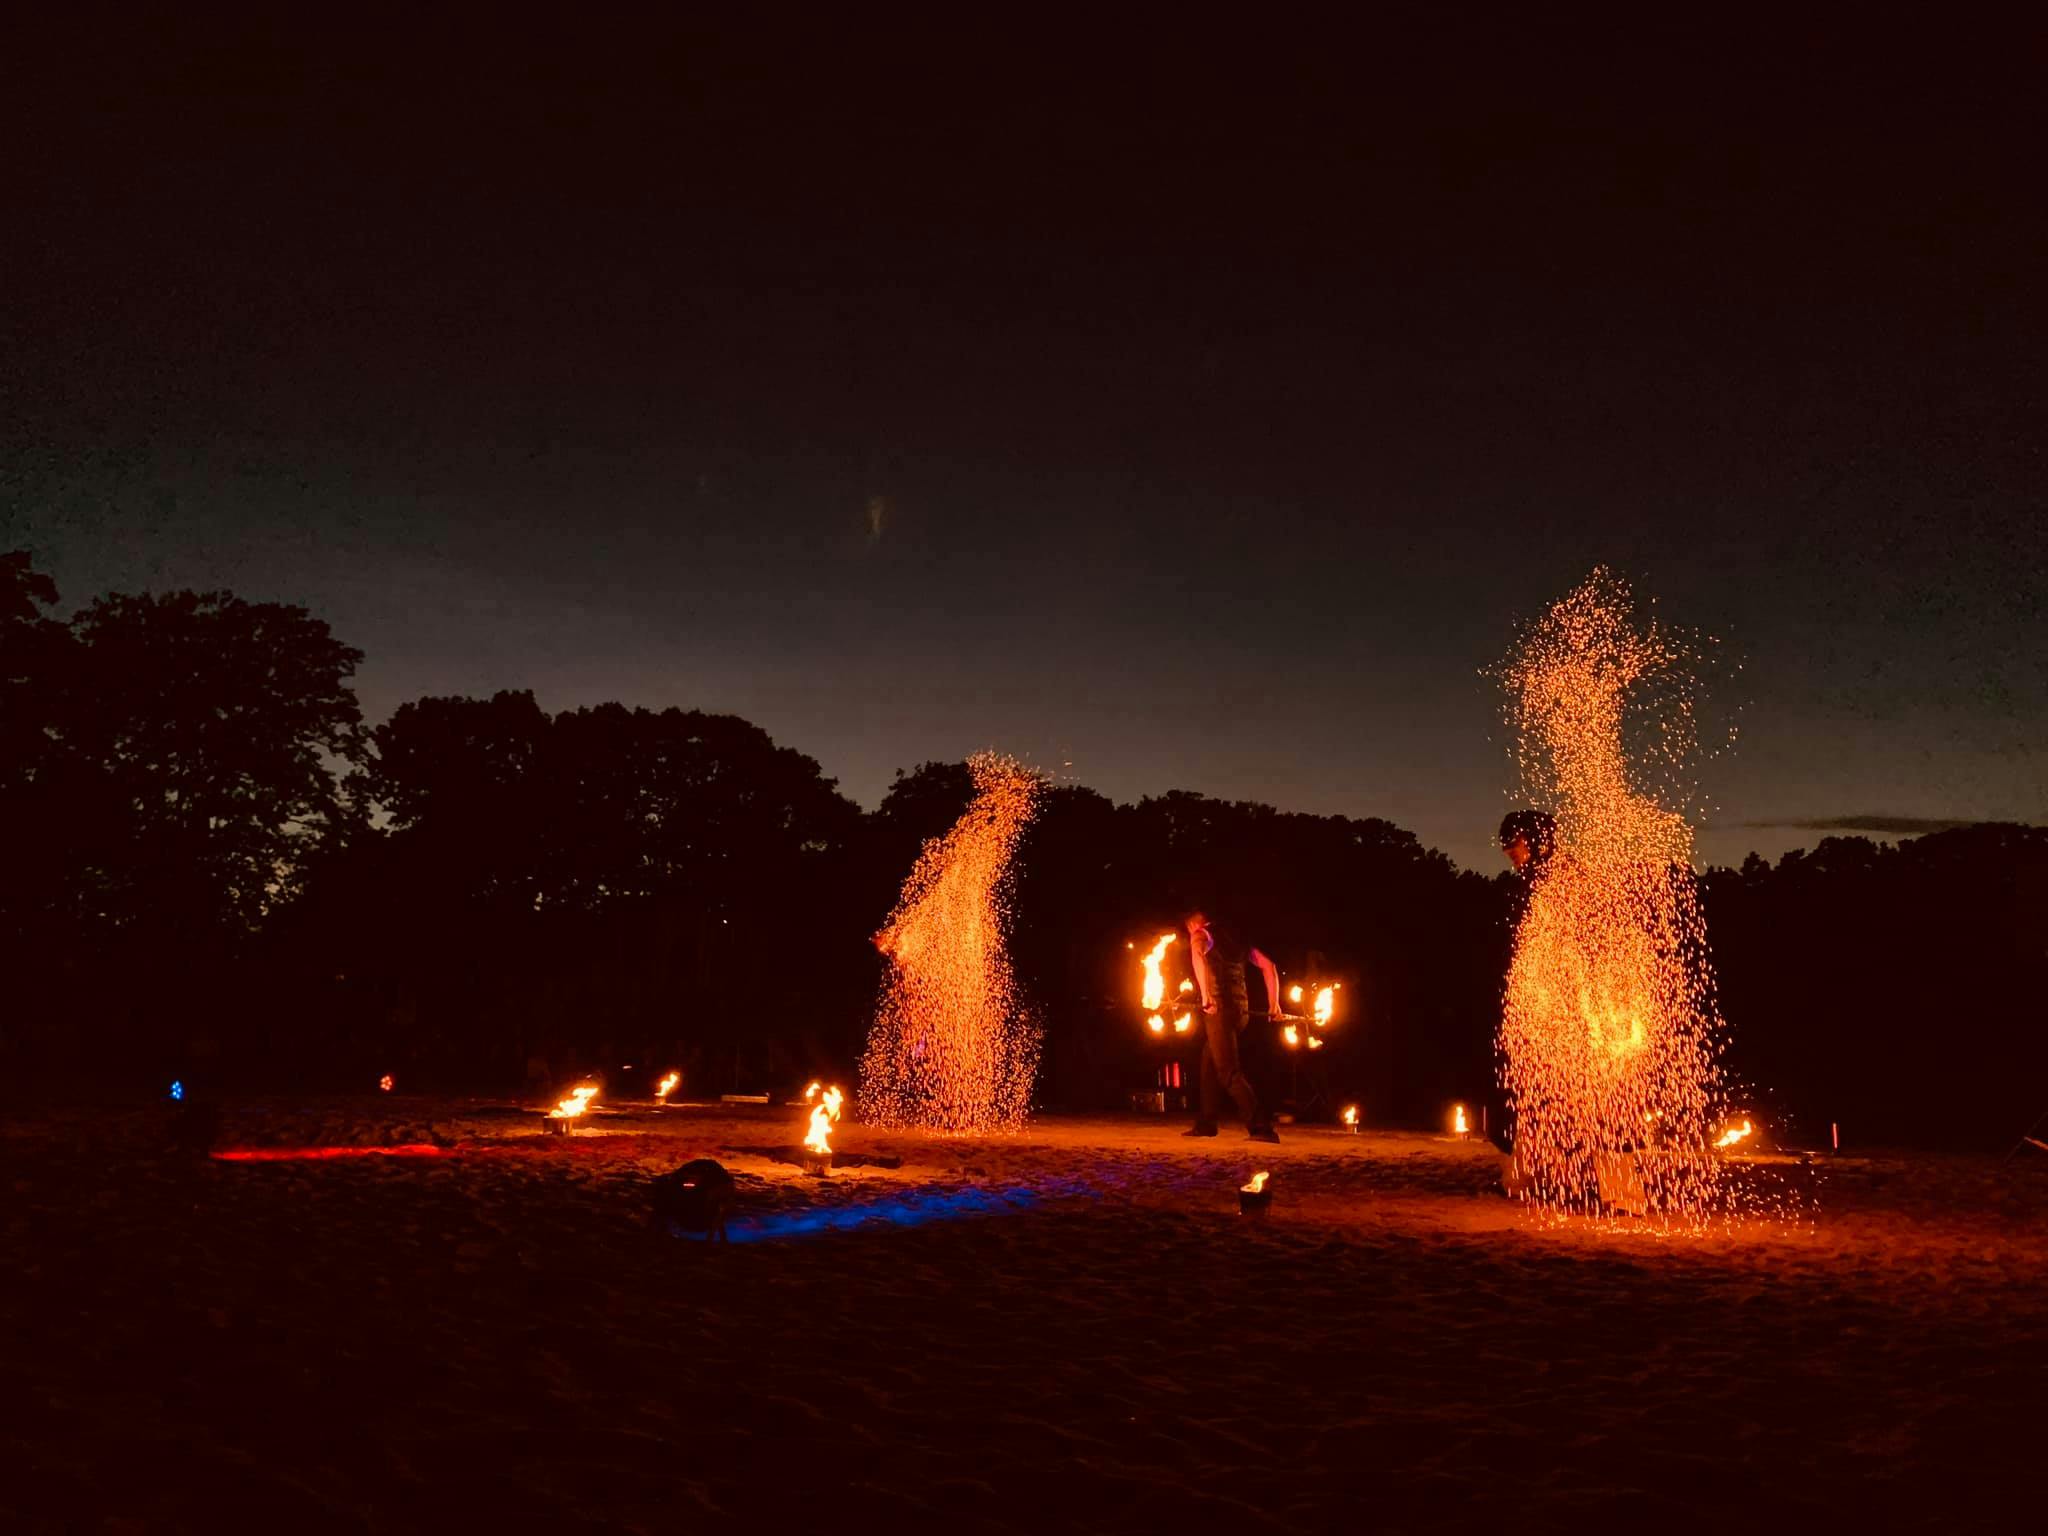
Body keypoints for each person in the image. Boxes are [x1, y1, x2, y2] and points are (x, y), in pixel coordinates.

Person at [1182, 909, 1280, 1142]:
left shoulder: (1201, 934)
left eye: (1189, 927)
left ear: (1196, 923)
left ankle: (1261, 1128)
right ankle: (1206, 1123)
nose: (1190, 932)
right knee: (1209, 1062)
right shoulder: (1237, 938)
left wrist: (1206, 995)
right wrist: (1274, 1004)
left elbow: (1198, 956)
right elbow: (1270, 967)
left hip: (1219, 1011)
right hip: (1240, 1012)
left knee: (1228, 1072)